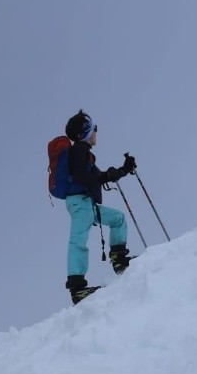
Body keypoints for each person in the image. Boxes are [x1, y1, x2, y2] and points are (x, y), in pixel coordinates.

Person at [51, 110, 137, 304]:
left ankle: (119, 260)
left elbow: (98, 177)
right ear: (86, 132)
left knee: (117, 219)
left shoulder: (83, 154)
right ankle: (77, 288)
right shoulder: (80, 150)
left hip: (85, 203)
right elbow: (84, 177)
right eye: (94, 129)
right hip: (80, 203)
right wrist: (108, 175)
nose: (96, 132)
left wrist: (123, 170)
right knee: (78, 242)